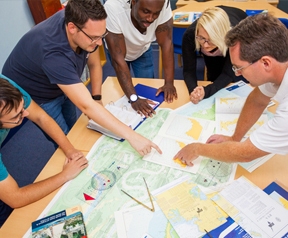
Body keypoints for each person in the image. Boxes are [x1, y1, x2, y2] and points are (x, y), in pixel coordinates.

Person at [2, 0, 161, 157]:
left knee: (74, 124)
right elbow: (86, 107)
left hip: (58, 80)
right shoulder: (54, 54)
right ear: (72, 28)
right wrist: (133, 137)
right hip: (36, 92)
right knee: (64, 140)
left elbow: (94, 64)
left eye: (102, 36)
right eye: (94, 38)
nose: (99, 43)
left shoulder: (80, 19)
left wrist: (97, 98)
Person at [174, 13, 288, 165]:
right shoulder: (278, 67)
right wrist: (235, 138)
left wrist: (196, 149)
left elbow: (245, 154)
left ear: (265, 63)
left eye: (240, 67)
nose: (237, 73)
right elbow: (257, 99)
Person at [0, 75, 88, 227]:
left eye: (23, 107)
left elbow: (40, 116)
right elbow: (15, 198)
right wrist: (65, 175)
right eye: (17, 116)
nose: (26, 114)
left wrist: (69, 149)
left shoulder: (6, 89)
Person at [104, 0, 177, 117]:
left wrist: (169, 83)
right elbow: (118, 60)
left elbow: (167, 44)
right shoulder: (113, 8)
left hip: (142, 49)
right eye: (146, 12)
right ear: (134, 1)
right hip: (119, 54)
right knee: (126, 95)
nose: (150, 18)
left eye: (156, 13)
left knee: (148, 91)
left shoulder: (164, 4)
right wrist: (134, 98)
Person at [182, 6, 247, 104]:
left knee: (233, 79)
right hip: (219, 44)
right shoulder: (190, 35)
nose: (205, 45)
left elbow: (228, 73)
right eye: (202, 38)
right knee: (213, 75)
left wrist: (207, 91)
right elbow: (188, 70)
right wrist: (194, 91)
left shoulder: (235, 38)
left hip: (238, 21)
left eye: (212, 40)